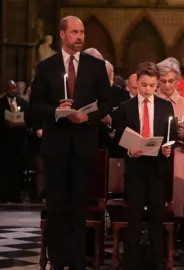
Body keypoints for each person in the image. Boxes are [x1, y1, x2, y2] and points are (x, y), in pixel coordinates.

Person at [29, 16, 112, 270]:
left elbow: (107, 103)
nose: (80, 37)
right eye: (75, 32)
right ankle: (57, 259)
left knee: (78, 206)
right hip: (55, 147)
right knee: (55, 207)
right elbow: (33, 108)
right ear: (63, 34)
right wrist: (56, 110)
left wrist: (89, 115)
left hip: (83, 146)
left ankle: (77, 261)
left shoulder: (96, 66)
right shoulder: (46, 67)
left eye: (82, 32)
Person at [113, 62, 174, 270]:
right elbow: (117, 136)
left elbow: (170, 136)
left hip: (157, 170)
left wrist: (167, 149)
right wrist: (129, 150)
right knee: (134, 220)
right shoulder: (125, 108)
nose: (147, 90)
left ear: (157, 86)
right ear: (137, 82)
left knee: (156, 221)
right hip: (135, 171)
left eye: (151, 86)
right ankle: (131, 264)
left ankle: (155, 263)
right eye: (144, 85)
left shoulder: (166, 106)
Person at [156, 58, 184, 217]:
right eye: (163, 81)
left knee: (177, 199)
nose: (167, 85)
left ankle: (177, 232)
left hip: (177, 154)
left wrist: (182, 133)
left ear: (177, 81)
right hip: (157, 154)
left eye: (171, 81)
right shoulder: (154, 101)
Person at [0, 80, 30, 203]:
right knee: (5, 169)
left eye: (14, 88)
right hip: (4, 141)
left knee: (18, 168)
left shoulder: (23, 103)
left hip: (19, 140)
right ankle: (4, 195)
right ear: (6, 89)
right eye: (10, 88)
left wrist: (25, 124)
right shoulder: (1, 103)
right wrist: (6, 124)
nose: (13, 91)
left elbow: (29, 117)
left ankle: (16, 195)